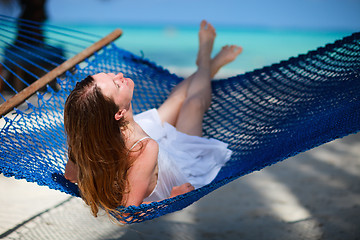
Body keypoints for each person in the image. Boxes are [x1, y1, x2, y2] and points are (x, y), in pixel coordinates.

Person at [64, 20, 242, 218]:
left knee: (176, 97)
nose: (120, 75)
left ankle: (206, 65)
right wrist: (171, 199)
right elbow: (126, 214)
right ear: (118, 113)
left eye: (109, 74)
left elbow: (70, 176)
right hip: (176, 165)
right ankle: (205, 64)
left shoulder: (94, 136)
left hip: (139, 133)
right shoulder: (144, 149)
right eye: (116, 85)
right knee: (193, 104)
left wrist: (77, 136)